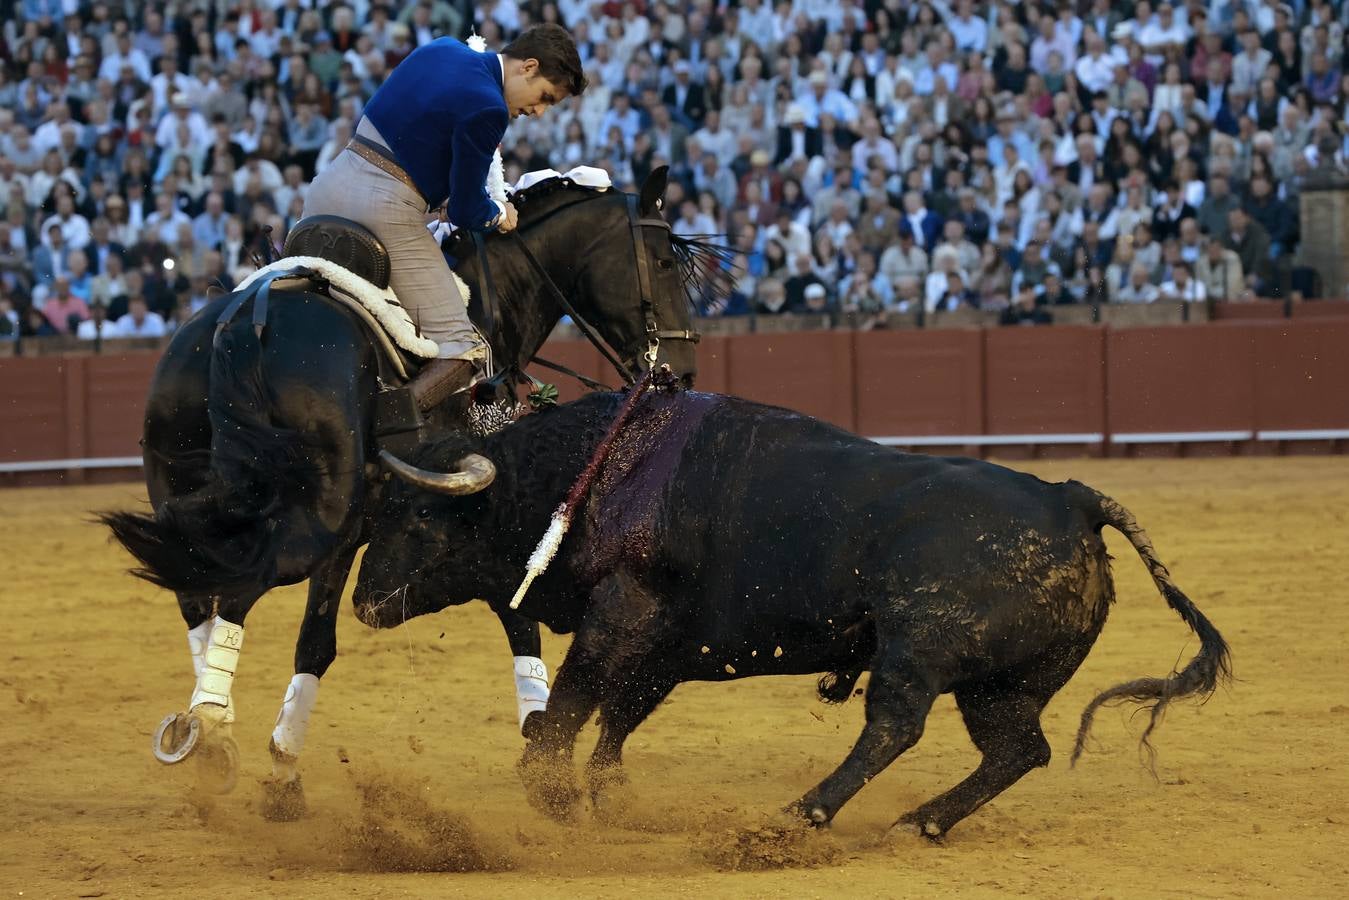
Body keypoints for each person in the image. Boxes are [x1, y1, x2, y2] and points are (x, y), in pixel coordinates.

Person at [301, 25, 585, 412]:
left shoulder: (441, 48)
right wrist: (499, 214)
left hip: (324, 192)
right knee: (463, 348)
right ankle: (386, 433)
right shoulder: (490, 107)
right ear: (529, 67)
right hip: (383, 213)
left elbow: (411, 133)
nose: (537, 112)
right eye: (545, 98)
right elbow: (470, 210)